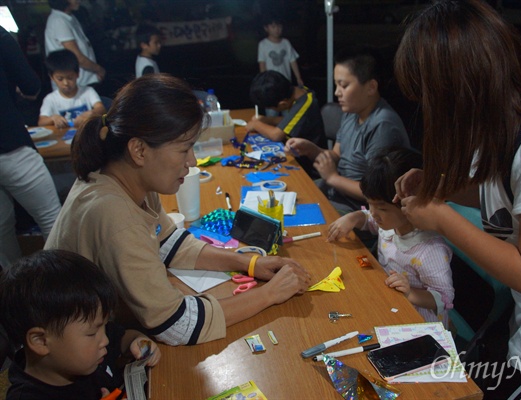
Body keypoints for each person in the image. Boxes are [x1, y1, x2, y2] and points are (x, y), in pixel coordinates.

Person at [393, 1, 521, 398]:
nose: (429, 107)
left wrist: (441, 216)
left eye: (430, 95)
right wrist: (438, 189)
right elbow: (504, 192)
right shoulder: (505, 123)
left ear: (460, 84)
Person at [45, 73, 312, 346]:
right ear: (139, 150)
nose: (193, 161)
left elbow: (169, 243)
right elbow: (175, 325)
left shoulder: (126, 176)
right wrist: (270, 294)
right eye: (184, 149)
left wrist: (250, 262)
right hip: (74, 346)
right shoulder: (114, 213)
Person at [0, 250, 161, 399]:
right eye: (92, 333)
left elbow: (123, 337)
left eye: (104, 326)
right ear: (41, 341)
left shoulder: (88, 350)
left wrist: (139, 341)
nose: (104, 340)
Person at [327, 148, 454, 327]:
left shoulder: (430, 250)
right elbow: (370, 220)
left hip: (417, 322)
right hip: (389, 301)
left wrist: (410, 293)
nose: (374, 213)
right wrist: (354, 217)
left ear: (411, 204)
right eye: (369, 204)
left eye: (382, 208)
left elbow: (444, 297)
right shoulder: (390, 224)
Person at [285, 46, 411, 214]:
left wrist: (332, 178)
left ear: (371, 87)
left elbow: (377, 193)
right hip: (337, 192)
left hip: (361, 211)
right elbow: (337, 155)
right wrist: (311, 149)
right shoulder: (352, 112)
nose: (337, 92)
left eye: (343, 85)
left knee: (296, 216)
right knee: (290, 196)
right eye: (336, 85)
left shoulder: (383, 126)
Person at [0, 26, 61, 269]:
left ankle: (14, 293)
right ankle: (64, 292)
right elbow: (31, 86)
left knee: (2, 228)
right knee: (52, 219)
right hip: (9, 142)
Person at [247, 70, 327, 177]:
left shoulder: (305, 103)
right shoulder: (300, 92)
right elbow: (290, 120)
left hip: (310, 166)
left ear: (283, 103)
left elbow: (276, 135)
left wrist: (256, 124)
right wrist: (267, 120)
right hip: (296, 156)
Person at [38, 49, 106, 129]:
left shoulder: (88, 91)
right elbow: (41, 122)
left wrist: (92, 113)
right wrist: (53, 118)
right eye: (60, 79)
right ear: (52, 77)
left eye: (70, 78)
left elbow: (101, 109)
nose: (66, 83)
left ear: (77, 74)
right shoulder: (50, 99)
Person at [44, 0, 105, 88]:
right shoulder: (59, 21)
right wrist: (99, 69)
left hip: (83, 84)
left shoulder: (69, 17)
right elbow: (77, 57)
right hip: (73, 88)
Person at [257, 16, 303, 117]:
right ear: (266, 28)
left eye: (279, 26)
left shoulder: (286, 43)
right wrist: (263, 83)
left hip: (286, 85)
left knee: (288, 115)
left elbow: (292, 61)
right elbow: (262, 64)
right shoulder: (263, 44)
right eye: (273, 26)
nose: (277, 29)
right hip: (271, 87)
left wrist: (298, 78)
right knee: (271, 115)